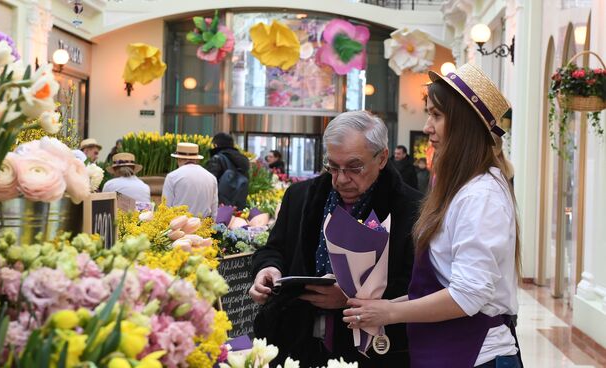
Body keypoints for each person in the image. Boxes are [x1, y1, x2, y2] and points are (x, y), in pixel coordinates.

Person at [342, 64, 522, 368]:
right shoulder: (462, 189)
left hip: (479, 355)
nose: (427, 127)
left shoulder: (481, 196)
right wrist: (381, 307)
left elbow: (467, 295)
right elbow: (439, 287)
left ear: (464, 124)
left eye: (436, 115)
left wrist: (390, 312)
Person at [249, 111, 422, 367]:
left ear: (382, 158)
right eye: (332, 167)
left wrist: (350, 299)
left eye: (354, 167)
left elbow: (417, 285)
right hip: (296, 343)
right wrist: (268, 269)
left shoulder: (411, 209)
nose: (341, 179)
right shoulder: (300, 196)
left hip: (372, 351)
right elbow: (275, 249)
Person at [163, 142, 218, 218]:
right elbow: (214, 211)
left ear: (179, 159)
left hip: (179, 226)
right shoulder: (211, 177)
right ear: (197, 159)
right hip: (204, 226)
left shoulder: (172, 177)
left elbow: (166, 208)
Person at [206, 132, 250, 209]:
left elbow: (210, 182)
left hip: (220, 204)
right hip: (238, 203)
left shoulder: (217, 158)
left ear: (216, 144)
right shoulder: (242, 160)